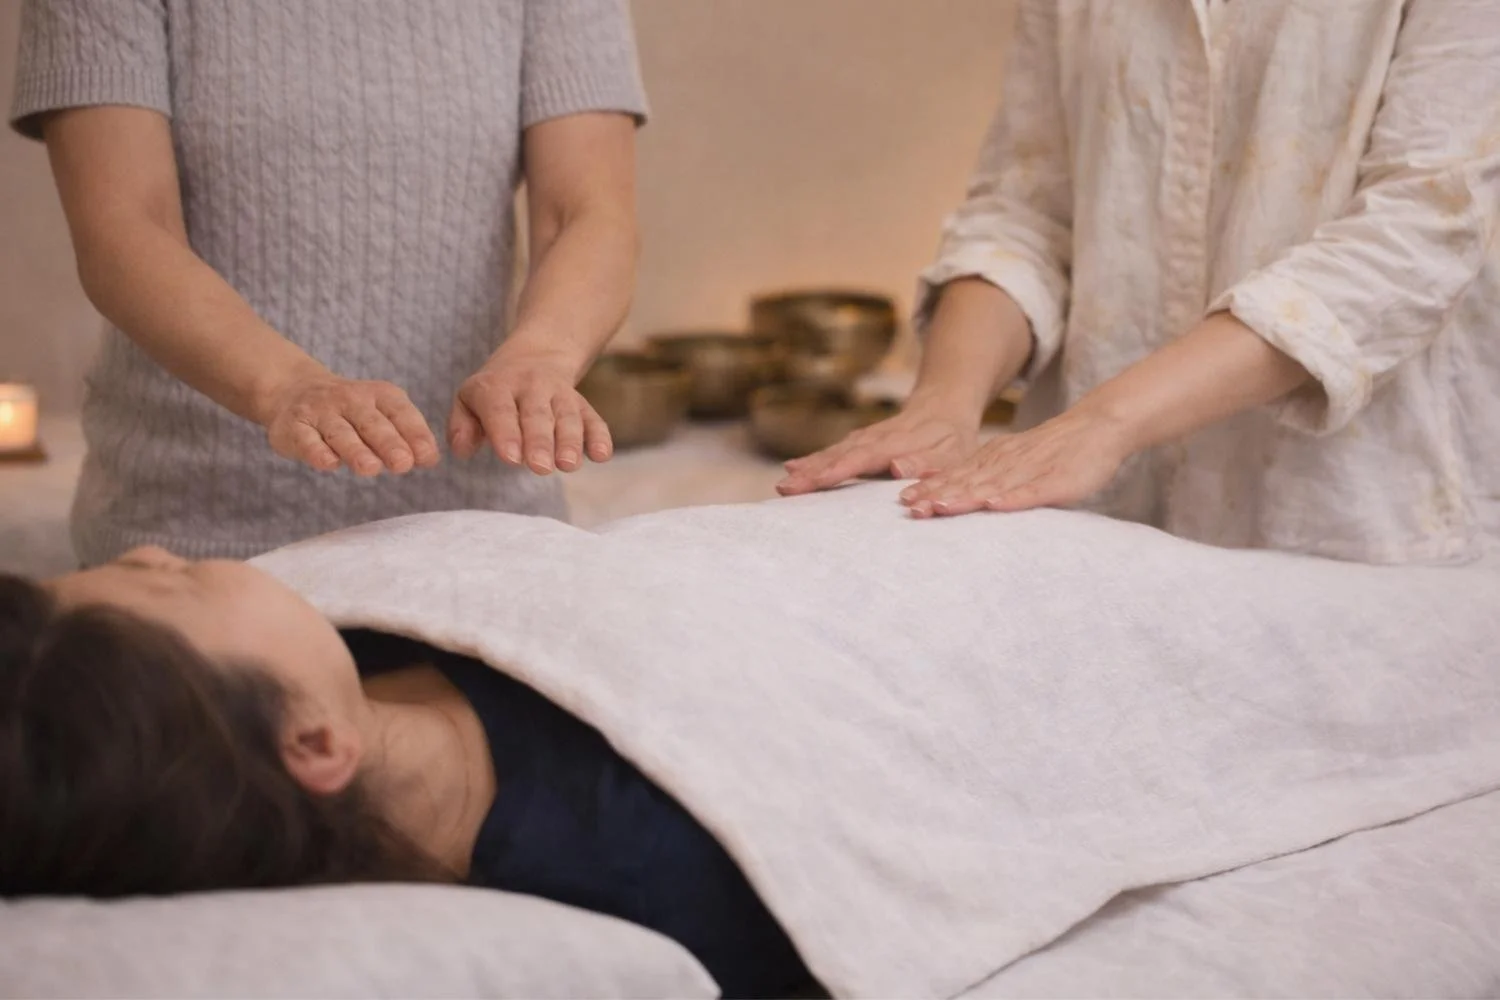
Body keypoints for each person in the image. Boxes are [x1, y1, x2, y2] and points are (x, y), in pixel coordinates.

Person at [777, 0, 1500, 566]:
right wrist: (942, 404)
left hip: (1352, 523)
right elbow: (1026, 210)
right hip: (1094, 523)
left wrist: (1105, 424)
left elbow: (1417, 229)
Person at [0, 549, 812, 999]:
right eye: (170, 582)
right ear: (314, 744)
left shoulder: (365, 641)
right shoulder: (654, 872)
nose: (152, 549)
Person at [9, 0, 647, 565]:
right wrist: (287, 385)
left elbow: (585, 213)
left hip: (482, 545)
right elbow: (126, 228)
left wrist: (540, 356)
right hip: (190, 554)